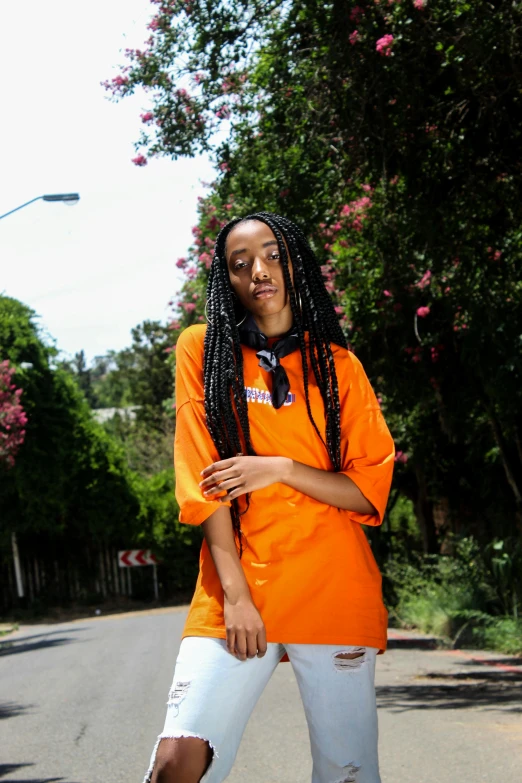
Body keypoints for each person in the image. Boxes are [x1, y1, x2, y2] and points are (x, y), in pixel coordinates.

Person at [144, 212, 395, 783]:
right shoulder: (202, 351)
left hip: (332, 588)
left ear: (294, 263)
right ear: (226, 280)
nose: (259, 270)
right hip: (235, 591)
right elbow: (202, 478)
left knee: (347, 773)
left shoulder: (340, 369)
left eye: (272, 254)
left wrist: (279, 469)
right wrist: (235, 594)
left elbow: (365, 492)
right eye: (240, 263)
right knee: (176, 761)